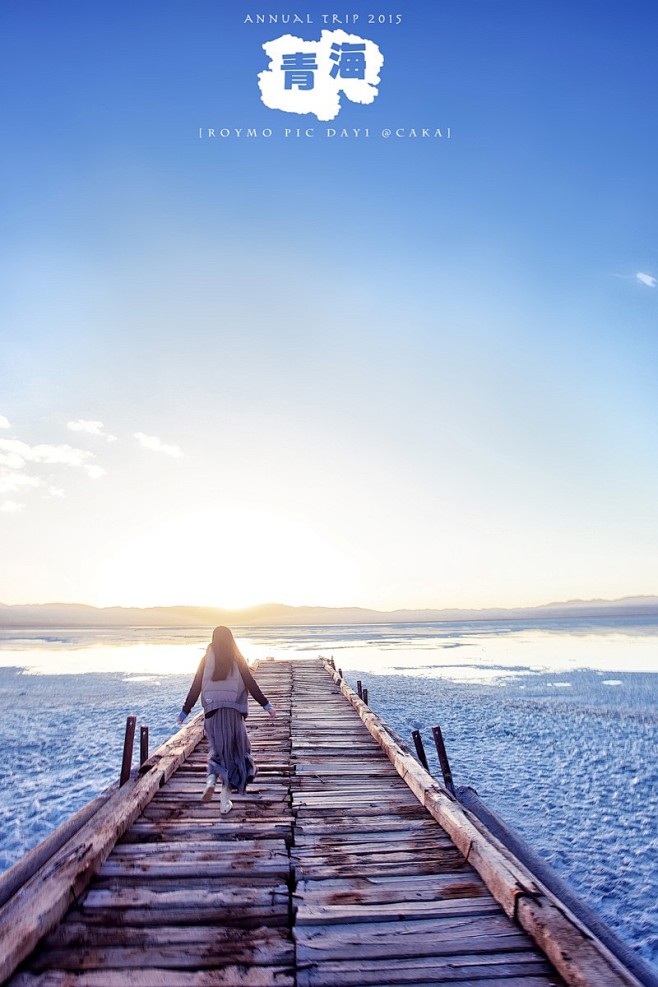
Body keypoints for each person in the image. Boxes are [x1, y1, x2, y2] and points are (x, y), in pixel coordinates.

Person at [176, 626, 276, 814]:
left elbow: (196, 686)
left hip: (212, 713)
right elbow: (250, 683)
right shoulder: (237, 658)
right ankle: (224, 801)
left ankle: (211, 780)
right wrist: (266, 705)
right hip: (233, 712)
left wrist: (184, 711)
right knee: (239, 752)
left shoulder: (205, 660)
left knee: (217, 751)